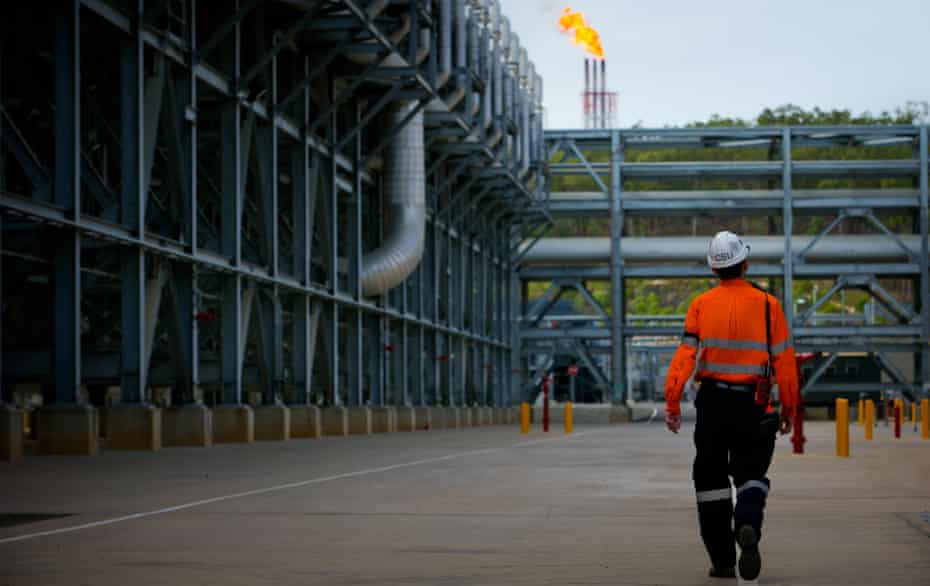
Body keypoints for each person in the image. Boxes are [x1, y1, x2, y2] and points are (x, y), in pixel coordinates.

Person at [664, 231, 799, 581]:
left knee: (710, 478)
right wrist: (789, 408)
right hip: (755, 403)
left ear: (713, 269)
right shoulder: (770, 306)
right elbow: (784, 360)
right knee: (751, 473)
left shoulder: (701, 305)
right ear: (746, 263)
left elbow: (685, 356)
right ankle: (748, 523)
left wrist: (672, 401)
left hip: (713, 404)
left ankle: (723, 560)